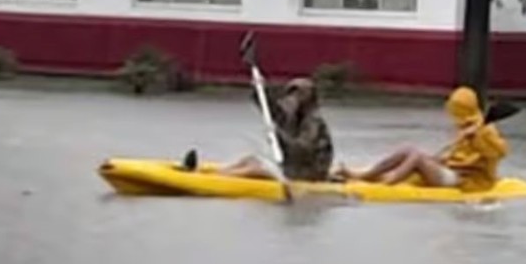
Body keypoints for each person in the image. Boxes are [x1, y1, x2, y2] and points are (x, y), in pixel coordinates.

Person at [335, 86, 508, 191]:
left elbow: (500, 152)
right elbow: (454, 155)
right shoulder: (465, 127)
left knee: (416, 157)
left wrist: (477, 138)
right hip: (449, 169)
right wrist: (436, 159)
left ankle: (387, 185)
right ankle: (364, 175)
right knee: (408, 150)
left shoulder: (485, 129)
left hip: (465, 181)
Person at [182, 77, 334, 182]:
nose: (292, 98)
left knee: (257, 168)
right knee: (250, 159)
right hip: (294, 168)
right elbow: (272, 110)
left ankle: (213, 180)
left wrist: (280, 138)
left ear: (307, 99)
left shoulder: (313, 122)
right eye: (291, 93)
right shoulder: (292, 116)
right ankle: (210, 174)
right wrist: (259, 89)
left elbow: (303, 149)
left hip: (310, 173)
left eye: (297, 94)